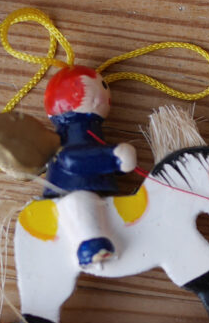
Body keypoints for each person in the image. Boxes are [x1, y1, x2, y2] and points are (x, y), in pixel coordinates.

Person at [41, 65, 137, 271]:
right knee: (80, 200)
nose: (105, 97)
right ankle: (89, 245)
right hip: (72, 190)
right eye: (101, 87)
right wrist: (114, 157)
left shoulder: (91, 132)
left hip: (100, 189)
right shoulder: (70, 139)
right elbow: (73, 160)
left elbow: (95, 160)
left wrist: (115, 162)